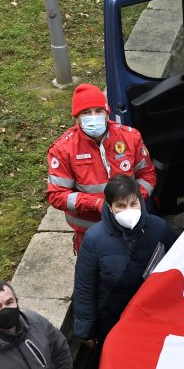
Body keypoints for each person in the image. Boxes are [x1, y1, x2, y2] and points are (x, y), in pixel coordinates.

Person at [46, 83, 157, 252]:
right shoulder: (63, 149)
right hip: (91, 234)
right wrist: (96, 203)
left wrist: (128, 202)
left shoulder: (130, 137)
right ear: (76, 118)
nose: (94, 116)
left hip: (132, 226)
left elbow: (147, 176)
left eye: (98, 111)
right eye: (86, 112)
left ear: (107, 112)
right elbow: (57, 195)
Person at [73, 175, 176, 347]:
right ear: (109, 207)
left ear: (140, 201)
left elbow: (178, 267)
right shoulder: (94, 239)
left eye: (133, 203)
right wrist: (86, 331)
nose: (129, 210)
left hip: (154, 314)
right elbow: (85, 287)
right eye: (121, 206)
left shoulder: (159, 228)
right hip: (113, 319)